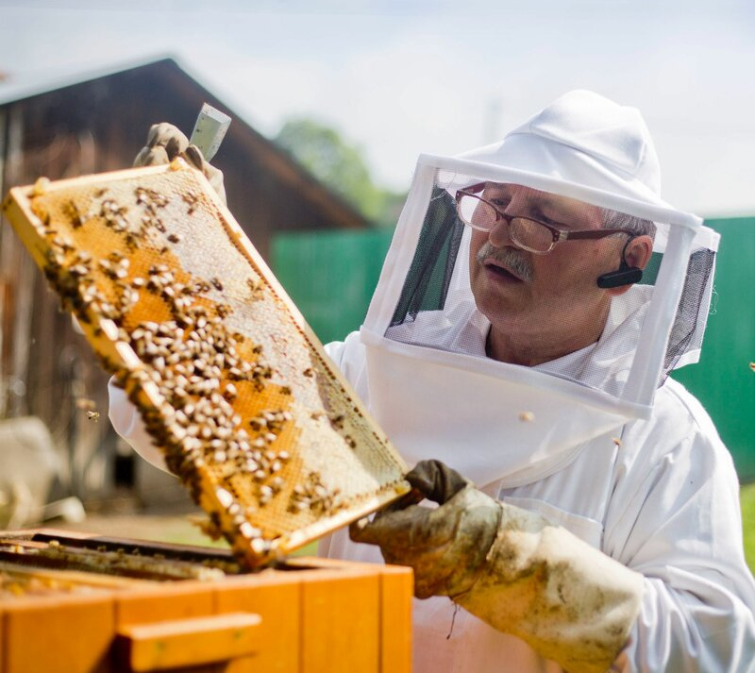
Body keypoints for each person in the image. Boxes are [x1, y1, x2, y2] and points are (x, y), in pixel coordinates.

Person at [110, 90, 755, 672]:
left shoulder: (663, 441)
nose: (502, 234)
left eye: (542, 219)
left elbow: (713, 647)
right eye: (495, 204)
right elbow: (182, 419)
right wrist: (184, 256)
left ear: (630, 258)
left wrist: (514, 564)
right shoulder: (371, 369)